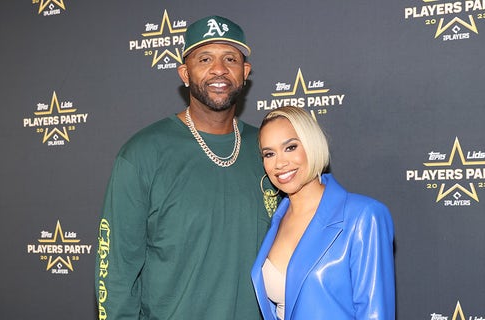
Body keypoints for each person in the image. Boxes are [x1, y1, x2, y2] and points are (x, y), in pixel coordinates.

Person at [96, 15, 274, 320]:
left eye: (230, 58)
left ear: (244, 73)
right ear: (184, 73)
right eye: (204, 58)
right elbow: (116, 273)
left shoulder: (270, 152)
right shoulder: (142, 153)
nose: (219, 69)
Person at [251, 106, 395, 320]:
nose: (279, 163)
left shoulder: (364, 216)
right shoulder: (275, 221)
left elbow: (376, 313)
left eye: (290, 147)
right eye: (269, 154)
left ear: (312, 146)